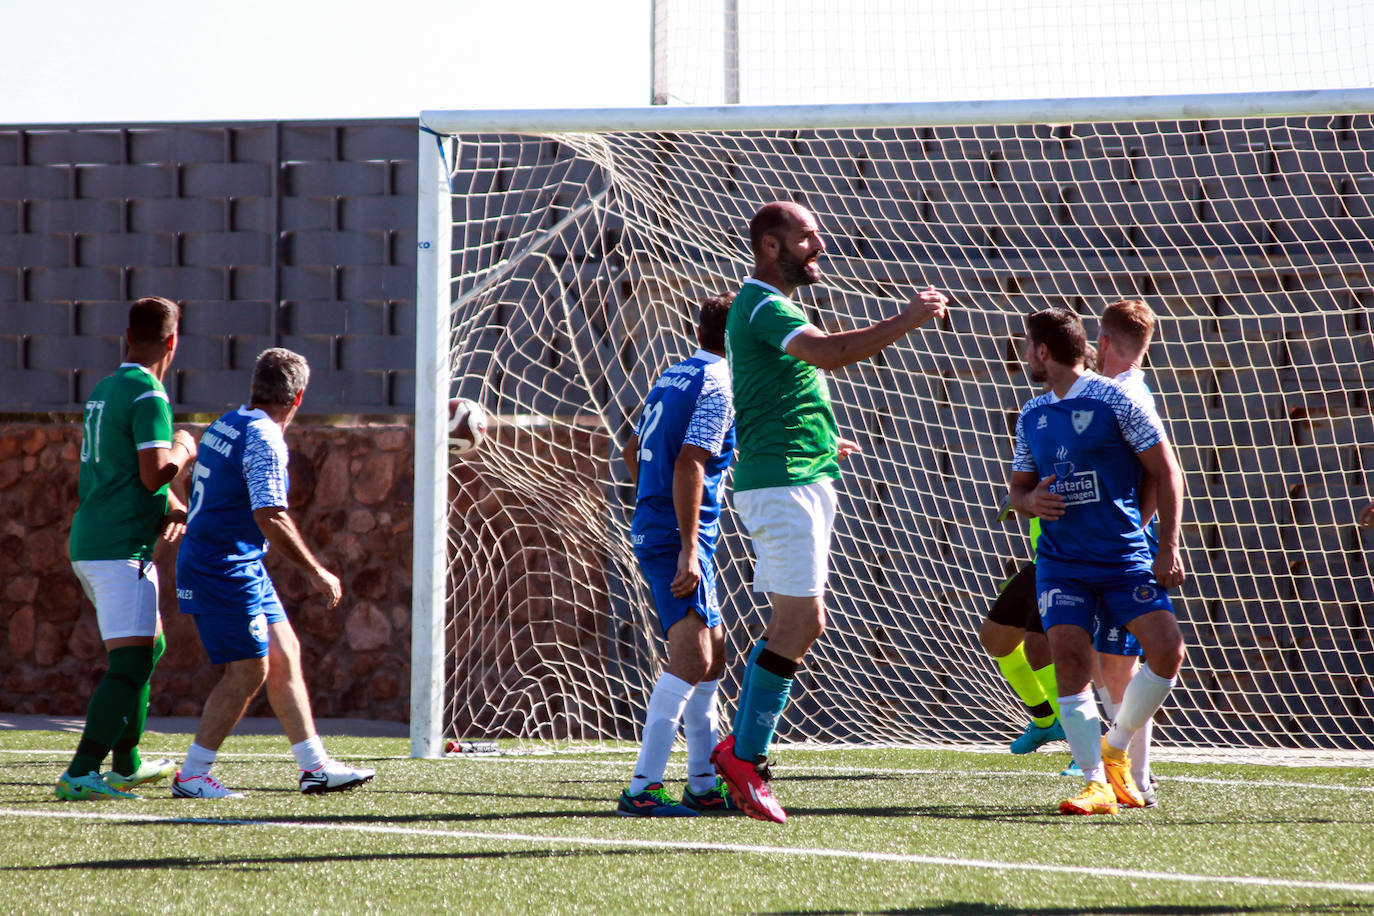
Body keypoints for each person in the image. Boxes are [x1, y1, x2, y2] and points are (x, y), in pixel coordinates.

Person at [712, 200, 949, 823]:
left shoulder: (775, 307)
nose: (820, 245)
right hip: (782, 484)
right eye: (807, 236)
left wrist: (821, 439)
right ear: (771, 245)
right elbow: (828, 354)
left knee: (799, 623)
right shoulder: (762, 304)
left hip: (802, 473)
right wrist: (907, 318)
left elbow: (784, 390)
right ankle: (744, 757)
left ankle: (741, 753)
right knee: (802, 622)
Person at [171, 348, 374, 798]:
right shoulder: (265, 438)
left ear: (254, 387)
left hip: (238, 560)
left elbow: (194, 480)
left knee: (285, 653)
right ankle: (192, 775)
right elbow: (271, 515)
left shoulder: (227, 422)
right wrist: (317, 571)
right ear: (298, 397)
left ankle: (314, 767)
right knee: (248, 671)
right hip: (223, 566)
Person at [1008, 307, 1185, 816]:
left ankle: (1116, 747)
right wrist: (1030, 503)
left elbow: (1167, 472)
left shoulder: (1118, 400)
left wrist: (1167, 546)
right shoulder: (1032, 415)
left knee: (1167, 650)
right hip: (1061, 564)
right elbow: (1017, 491)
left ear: (1043, 351)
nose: (1024, 354)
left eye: (1027, 346)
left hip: (1124, 557)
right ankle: (1093, 782)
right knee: (1070, 660)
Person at [56, 297, 198, 800]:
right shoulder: (149, 393)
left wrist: (167, 503)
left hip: (94, 540)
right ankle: (81, 771)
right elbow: (153, 469)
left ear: (127, 335)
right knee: (131, 664)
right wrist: (185, 444)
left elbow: (120, 471)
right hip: (121, 550)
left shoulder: (106, 388)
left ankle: (127, 762)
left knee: (148, 648)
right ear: (173, 341)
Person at [617, 294, 740, 818]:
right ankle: (642, 789)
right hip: (677, 533)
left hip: (666, 525)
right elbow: (690, 461)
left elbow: (632, 450)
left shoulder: (676, 375)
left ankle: (703, 784)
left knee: (714, 655)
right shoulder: (723, 384)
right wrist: (687, 546)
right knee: (692, 659)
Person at [1092, 299, 1167, 805]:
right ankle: (1129, 769)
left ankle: (1134, 776)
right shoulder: (1121, 390)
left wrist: (1132, 532)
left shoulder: (1126, 397)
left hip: (1128, 546)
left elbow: (1162, 473)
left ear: (1102, 343)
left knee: (1120, 667)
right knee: (1106, 665)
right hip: (1107, 544)